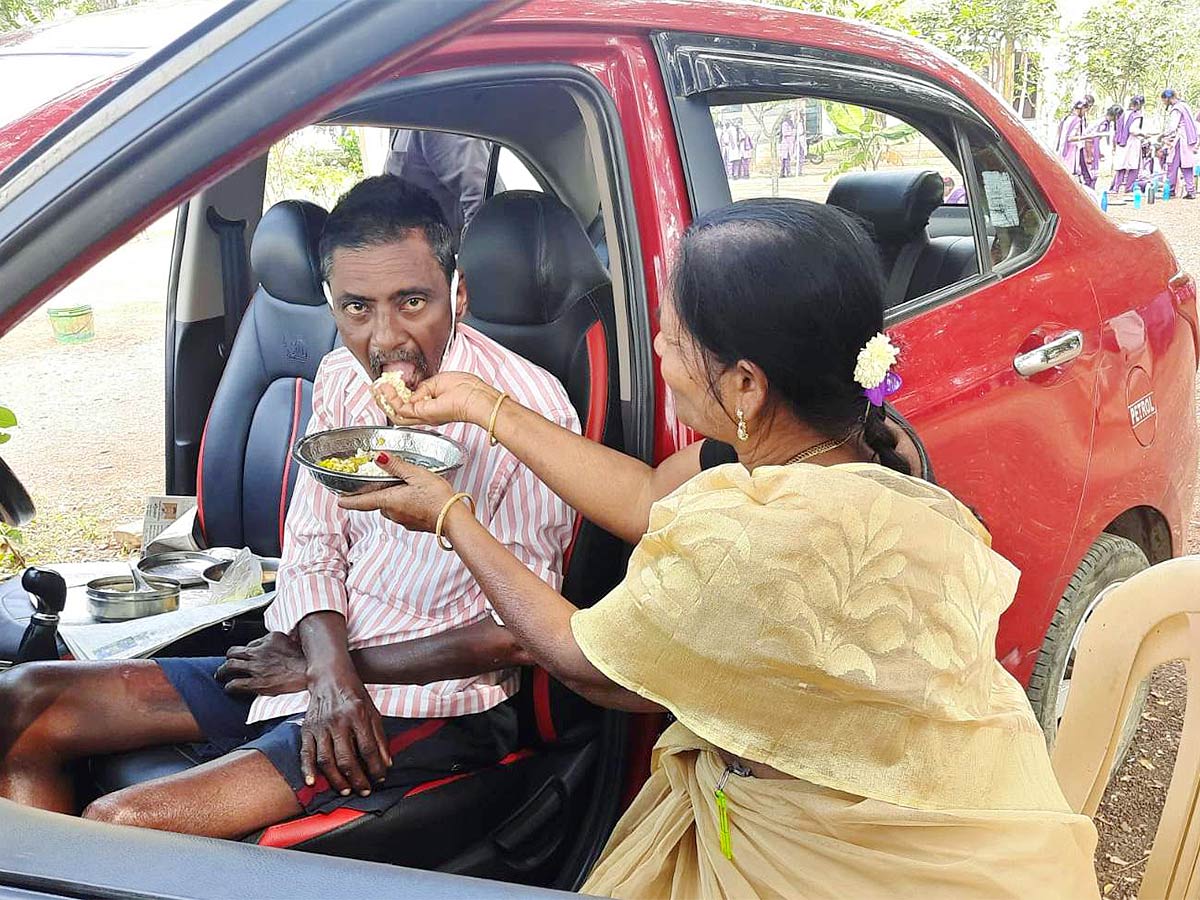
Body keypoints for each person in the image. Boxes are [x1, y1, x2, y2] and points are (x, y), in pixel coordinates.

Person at [363, 198, 1100, 898]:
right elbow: (651, 496)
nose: (656, 350)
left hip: (822, 866)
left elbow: (583, 662)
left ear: (745, 384)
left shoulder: (749, 542)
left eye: (674, 339)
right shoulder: (866, 443)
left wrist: (450, 516)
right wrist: (483, 406)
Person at [0, 177, 579, 838]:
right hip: (318, 655)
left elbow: (518, 634)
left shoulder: (531, 410)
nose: (386, 338)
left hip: (438, 698)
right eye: (357, 308)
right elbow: (314, 542)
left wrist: (332, 673)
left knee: (118, 826)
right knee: (25, 704)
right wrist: (325, 667)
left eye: (412, 301)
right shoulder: (340, 376)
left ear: (459, 294)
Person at [385, 130, 494, 237]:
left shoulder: (437, 124)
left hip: (440, 248)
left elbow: (481, 198)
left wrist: (471, 252)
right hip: (410, 243)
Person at [1160, 89, 1198, 200]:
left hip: (1180, 140)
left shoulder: (1176, 109)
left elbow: (1172, 127)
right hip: (1189, 139)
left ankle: (1170, 190)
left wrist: (1163, 135)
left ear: (1167, 98)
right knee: (1187, 166)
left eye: (1164, 101)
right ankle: (1191, 190)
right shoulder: (1185, 106)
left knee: (1172, 164)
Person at [1112, 96, 1147, 194]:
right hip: (1132, 143)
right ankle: (1129, 188)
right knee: (1133, 165)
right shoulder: (1137, 115)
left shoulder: (1122, 114)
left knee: (1121, 166)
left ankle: (1116, 188)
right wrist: (1143, 134)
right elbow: (1133, 130)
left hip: (1121, 143)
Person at [1057, 100, 1094, 187]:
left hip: (1063, 151)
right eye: (1085, 110)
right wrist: (1085, 137)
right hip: (1071, 152)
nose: (1085, 112)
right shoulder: (1076, 120)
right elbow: (1070, 138)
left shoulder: (1067, 118)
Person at [778, 111, 799, 178]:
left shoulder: (791, 123)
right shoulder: (785, 123)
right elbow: (785, 133)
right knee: (784, 158)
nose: (790, 117)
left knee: (787, 158)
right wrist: (792, 132)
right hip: (785, 143)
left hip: (790, 143)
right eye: (789, 115)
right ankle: (784, 172)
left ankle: (786, 172)